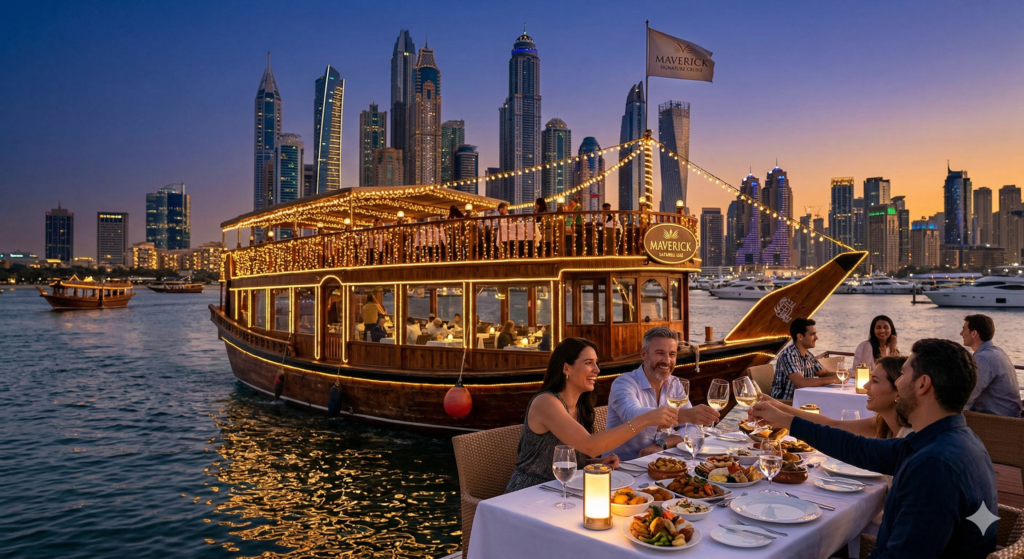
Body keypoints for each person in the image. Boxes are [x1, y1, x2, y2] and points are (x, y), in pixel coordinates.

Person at [752, 339, 996, 558]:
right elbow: (856, 447)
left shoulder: (935, 466)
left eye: (902, 375)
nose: (898, 385)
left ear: (922, 384)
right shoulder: (955, 440)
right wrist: (787, 420)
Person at [504, 338, 679, 493]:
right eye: (589, 363)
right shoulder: (546, 403)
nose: (597, 369)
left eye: (596, 363)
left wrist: (595, 461)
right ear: (566, 368)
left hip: (566, 488)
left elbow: (568, 452)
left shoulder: (579, 406)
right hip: (531, 492)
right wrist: (646, 419)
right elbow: (590, 444)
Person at [607, 327, 721, 460]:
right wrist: (686, 415)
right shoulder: (623, 383)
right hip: (621, 468)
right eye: (660, 353)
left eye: (672, 354)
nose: (667, 361)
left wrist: (662, 444)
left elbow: (694, 428)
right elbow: (633, 416)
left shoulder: (675, 384)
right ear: (644, 354)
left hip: (660, 464)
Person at [754, 356, 912, 439]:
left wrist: (783, 417)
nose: (865, 385)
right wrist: (778, 406)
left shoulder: (909, 437)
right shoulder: (882, 424)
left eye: (875, 381)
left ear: (898, 390)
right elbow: (833, 424)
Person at [961, 314, 1023, 417]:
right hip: (1011, 416)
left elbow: (967, 396)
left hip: (997, 422)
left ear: (974, 333)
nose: (961, 333)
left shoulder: (983, 359)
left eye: (964, 329)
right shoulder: (999, 352)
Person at [770, 318, 839, 400]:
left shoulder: (808, 355)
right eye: (812, 334)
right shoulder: (788, 355)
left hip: (804, 398)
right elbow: (801, 383)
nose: (816, 338)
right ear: (800, 336)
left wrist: (844, 375)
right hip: (786, 402)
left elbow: (824, 373)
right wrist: (833, 379)